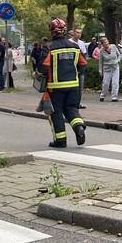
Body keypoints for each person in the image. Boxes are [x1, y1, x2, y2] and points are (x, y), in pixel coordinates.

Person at [38, 17, 87, 148]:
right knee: (71, 109)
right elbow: (83, 64)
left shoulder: (49, 47)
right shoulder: (75, 47)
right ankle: (79, 127)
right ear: (65, 31)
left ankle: (60, 140)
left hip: (55, 87)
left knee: (56, 112)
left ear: (52, 31)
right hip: (73, 85)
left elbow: (43, 67)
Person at [69, 26, 89, 108]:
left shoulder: (81, 43)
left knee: (80, 87)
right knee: (72, 87)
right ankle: (71, 103)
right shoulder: (68, 43)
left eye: (80, 33)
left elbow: (84, 55)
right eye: (77, 32)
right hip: (71, 69)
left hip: (80, 69)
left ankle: (78, 103)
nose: (78, 34)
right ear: (73, 33)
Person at [98, 36, 121, 102]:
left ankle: (114, 97)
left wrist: (118, 60)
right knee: (105, 83)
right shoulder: (101, 51)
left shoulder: (113, 46)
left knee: (115, 83)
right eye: (105, 43)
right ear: (102, 44)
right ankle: (102, 95)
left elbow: (118, 55)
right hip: (107, 69)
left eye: (107, 42)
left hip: (115, 67)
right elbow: (100, 62)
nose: (107, 44)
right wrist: (100, 70)